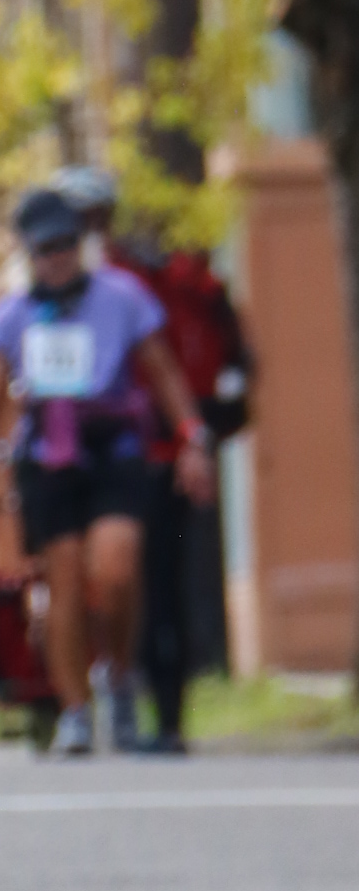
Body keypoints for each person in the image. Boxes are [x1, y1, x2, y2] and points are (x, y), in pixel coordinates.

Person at [0, 186, 214, 757]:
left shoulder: (122, 296)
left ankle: (117, 676)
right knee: (65, 582)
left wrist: (192, 439)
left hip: (113, 447)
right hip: (47, 456)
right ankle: (75, 710)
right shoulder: (12, 316)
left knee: (118, 566)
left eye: (66, 245)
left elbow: (163, 371)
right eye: (45, 249)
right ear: (28, 254)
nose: (58, 258)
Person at [116, 227, 253, 755]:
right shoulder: (155, 284)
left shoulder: (158, 288)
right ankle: (157, 712)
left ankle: (165, 714)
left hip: (164, 452)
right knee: (157, 585)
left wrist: (194, 436)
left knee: (159, 587)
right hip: (157, 451)